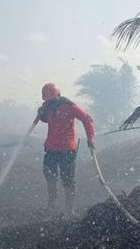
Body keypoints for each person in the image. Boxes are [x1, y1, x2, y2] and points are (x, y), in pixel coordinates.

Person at [36, 82, 95, 217]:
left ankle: (69, 211)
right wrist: (41, 114)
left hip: (67, 150)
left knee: (68, 180)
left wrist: (90, 137)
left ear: (58, 96)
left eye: (51, 101)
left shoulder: (69, 106)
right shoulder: (47, 107)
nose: (49, 103)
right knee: (50, 176)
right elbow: (47, 120)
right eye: (47, 101)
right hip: (51, 148)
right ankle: (52, 206)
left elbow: (87, 119)